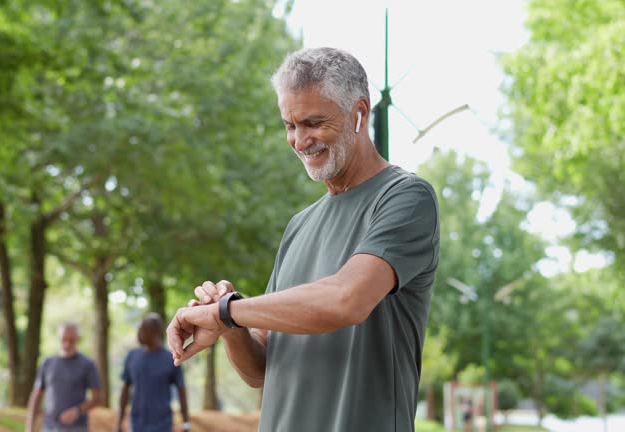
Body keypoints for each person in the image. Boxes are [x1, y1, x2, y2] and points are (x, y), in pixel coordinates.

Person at [166, 47, 440, 432]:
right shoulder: (299, 226)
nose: (300, 140)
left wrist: (227, 311)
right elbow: (260, 369)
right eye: (290, 126)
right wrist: (229, 325)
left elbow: (346, 299)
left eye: (313, 122)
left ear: (359, 113)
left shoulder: (406, 198)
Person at [115, 313, 191, 432]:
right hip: (137, 424)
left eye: (143, 329)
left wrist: (186, 423)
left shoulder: (172, 358)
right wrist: (119, 421)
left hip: (163, 425)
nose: (139, 333)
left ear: (155, 331)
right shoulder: (132, 356)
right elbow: (125, 389)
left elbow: (181, 391)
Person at [25, 322, 102, 432]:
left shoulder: (87, 365)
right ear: (59, 339)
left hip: (78, 428)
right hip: (49, 427)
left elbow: (98, 398)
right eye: (64, 339)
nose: (67, 344)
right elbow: (36, 396)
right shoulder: (47, 363)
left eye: (71, 340)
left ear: (77, 339)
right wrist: (29, 428)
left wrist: (77, 411)